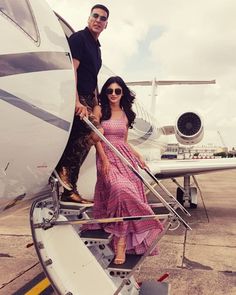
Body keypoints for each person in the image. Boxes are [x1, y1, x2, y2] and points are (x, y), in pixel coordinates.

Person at [92, 76, 164, 264]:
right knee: (120, 189)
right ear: (105, 93)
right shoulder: (99, 110)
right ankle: (147, 217)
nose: (113, 94)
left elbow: (123, 142)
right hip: (106, 156)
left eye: (117, 91)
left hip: (125, 157)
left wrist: (138, 155)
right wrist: (104, 160)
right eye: (109, 91)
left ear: (122, 93)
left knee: (125, 195)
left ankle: (121, 242)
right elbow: (96, 138)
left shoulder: (125, 113)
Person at [56, 4, 109, 204]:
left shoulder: (96, 48)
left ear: (106, 25)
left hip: (89, 97)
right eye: (95, 16)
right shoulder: (79, 39)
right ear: (89, 19)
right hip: (77, 96)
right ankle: (64, 171)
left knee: (94, 134)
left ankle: (69, 187)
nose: (98, 20)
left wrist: (96, 105)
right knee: (92, 132)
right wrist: (76, 100)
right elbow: (73, 71)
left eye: (102, 18)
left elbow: (93, 78)